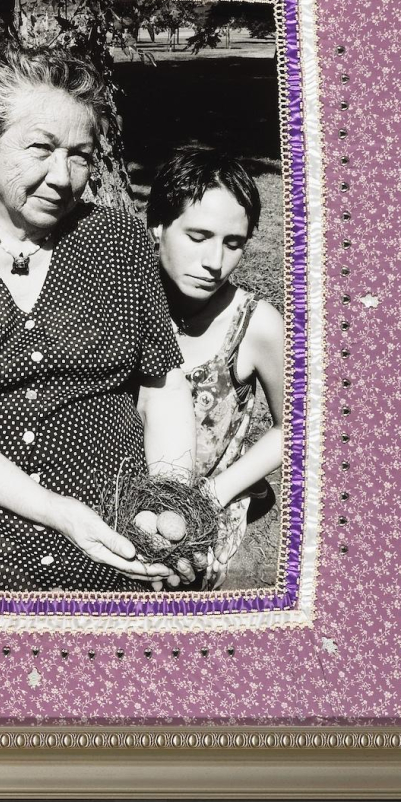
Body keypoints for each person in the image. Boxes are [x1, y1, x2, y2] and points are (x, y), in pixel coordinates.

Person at [0, 48, 197, 591]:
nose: (62, 178)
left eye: (81, 155)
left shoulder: (119, 241)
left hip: (109, 533)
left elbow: (162, 388)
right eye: (41, 149)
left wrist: (164, 507)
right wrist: (55, 511)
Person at [147, 147, 285, 590]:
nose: (214, 262)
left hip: (209, 504)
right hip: (126, 499)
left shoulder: (255, 325)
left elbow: (300, 426)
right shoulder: (125, 303)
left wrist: (214, 494)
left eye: (233, 243)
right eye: (198, 235)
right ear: (158, 226)